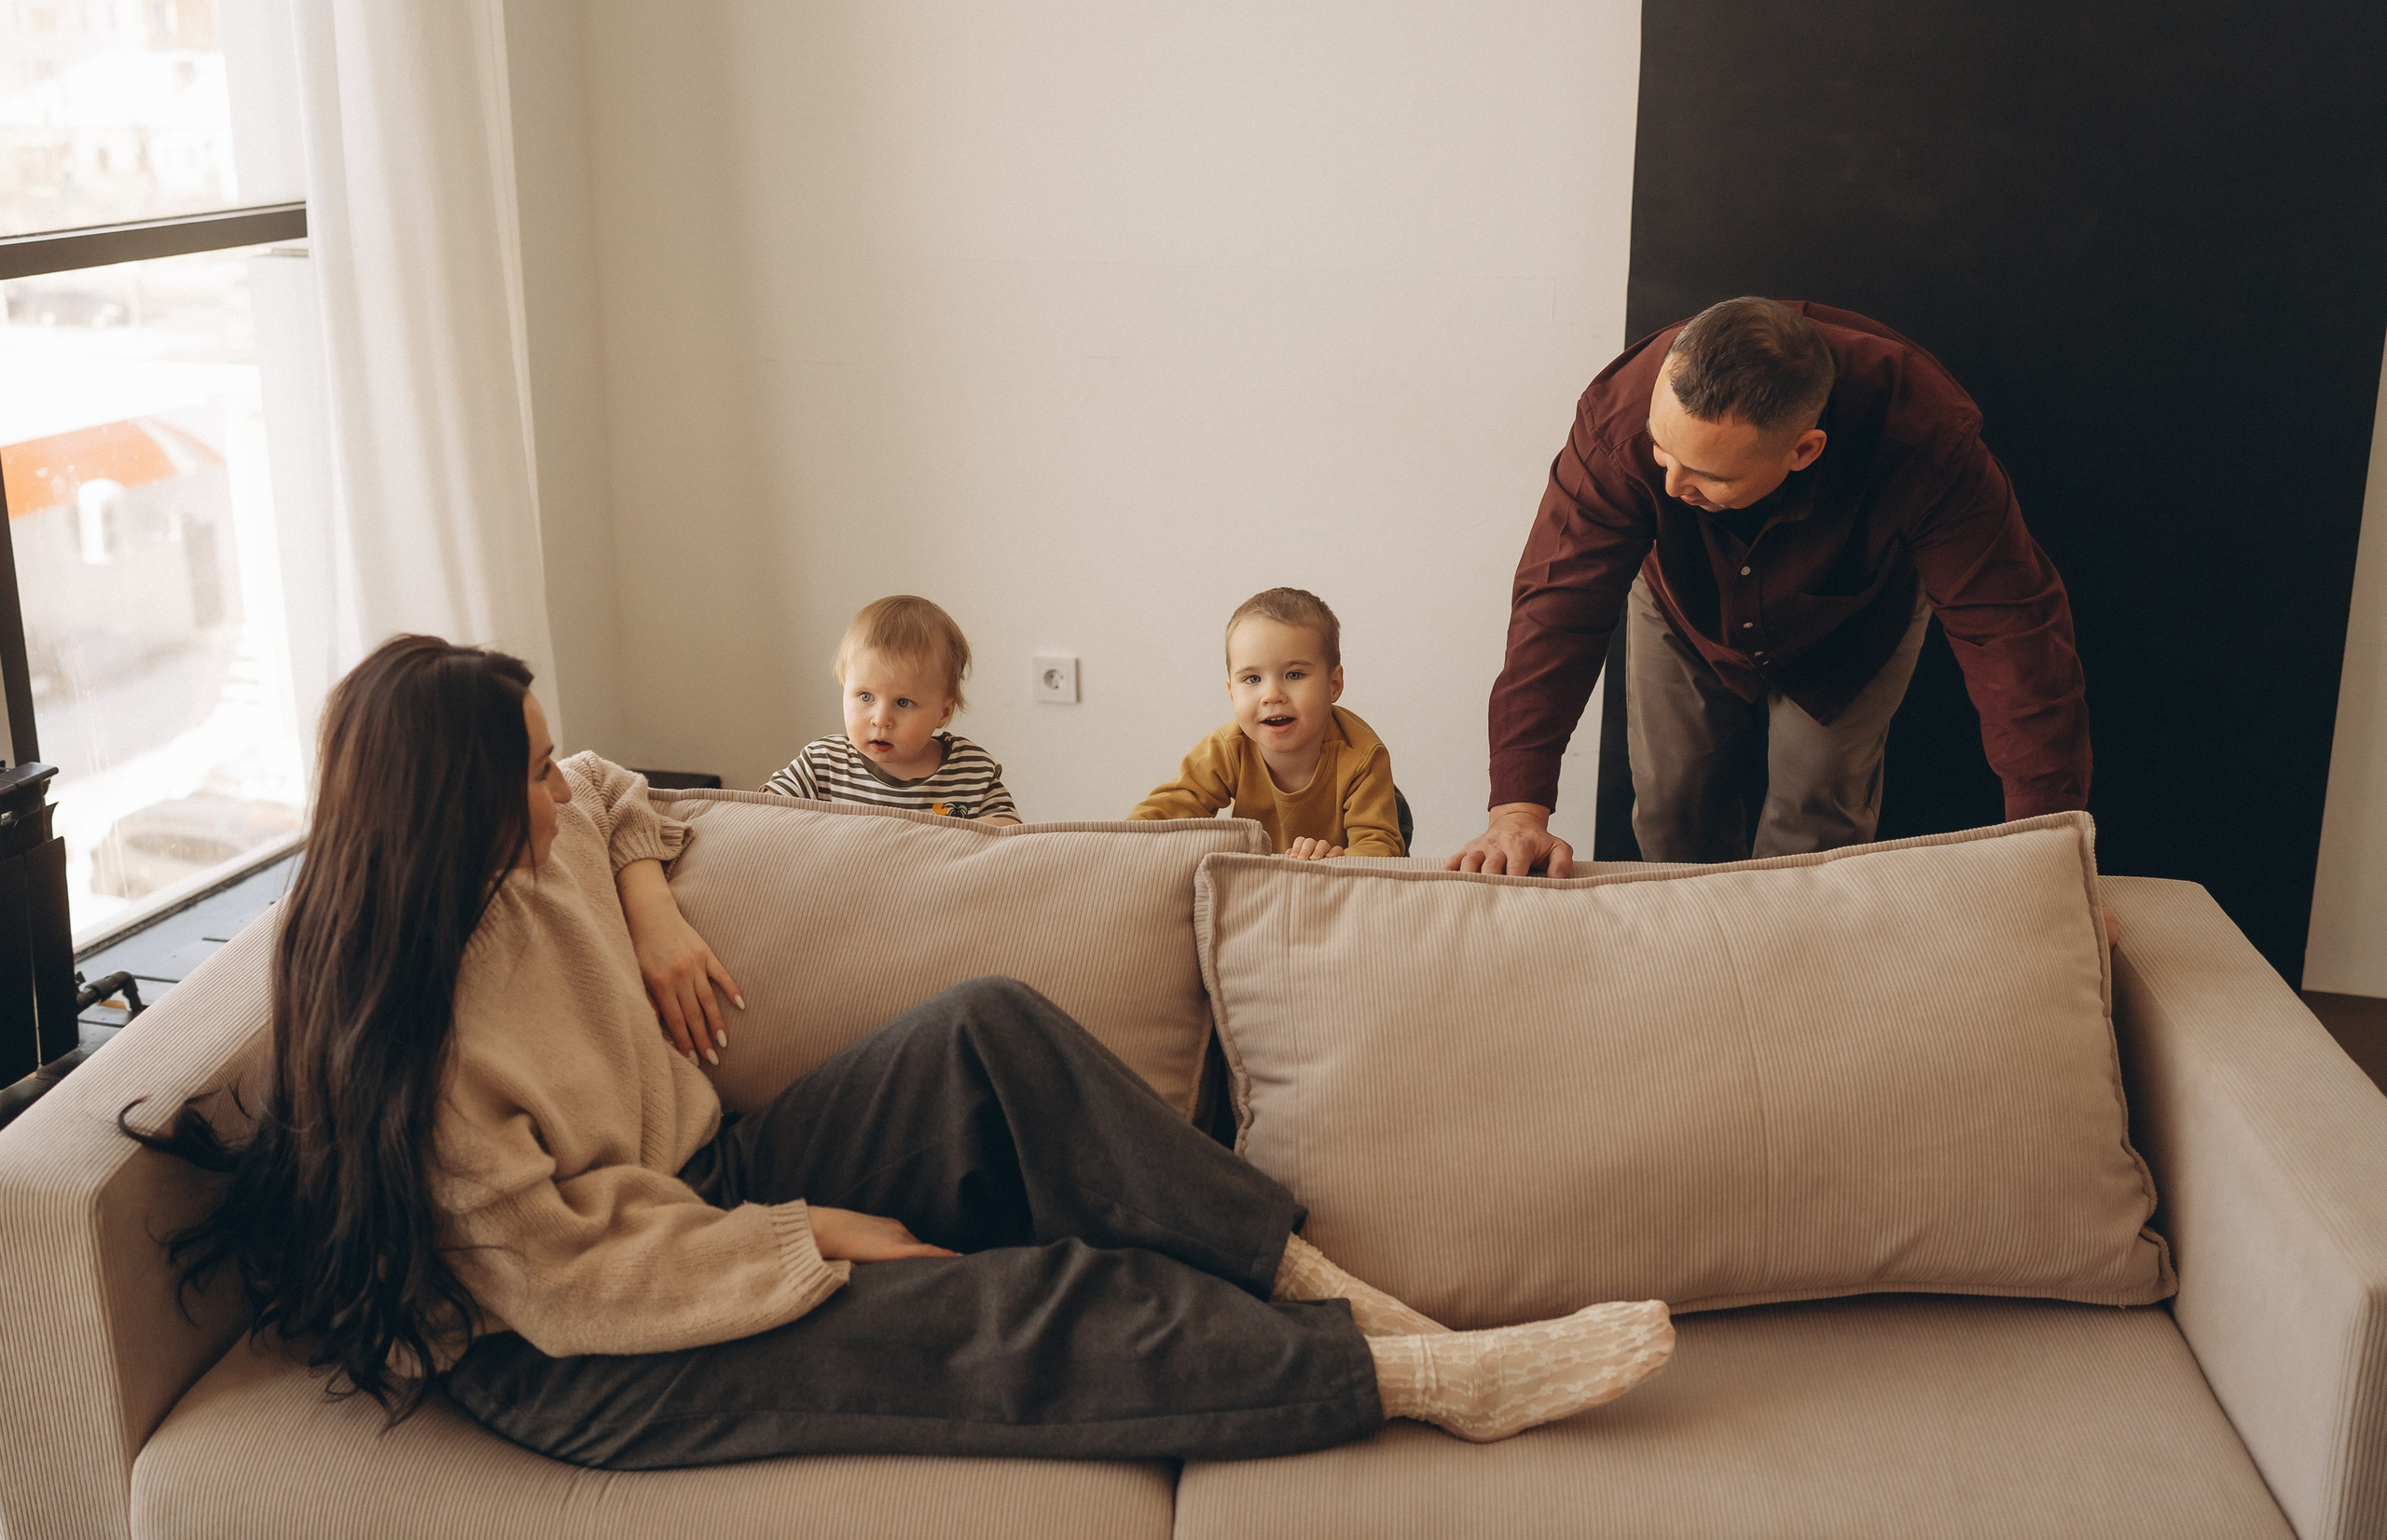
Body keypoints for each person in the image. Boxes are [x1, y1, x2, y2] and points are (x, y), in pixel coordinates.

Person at [128, 635, 1672, 1467]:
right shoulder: (421, 1047)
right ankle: (1401, 1386)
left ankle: (1325, 1285)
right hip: (593, 1344)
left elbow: (604, 785)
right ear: (447, 807)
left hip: (704, 1178)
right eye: (521, 776)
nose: (554, 790)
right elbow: (566, 1278)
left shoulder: (526, 846)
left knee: (984, 1031)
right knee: (1009, 1301)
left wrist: (653, 907)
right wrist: (804, 1237)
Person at [1452, 296, 2090, 877]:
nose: (1671, 486)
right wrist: (1517, 810)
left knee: (1818, 826)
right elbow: (1558, 608)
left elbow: (2013, 633)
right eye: (1661, 451)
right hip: (1682, 597)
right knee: (1673, 811)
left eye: (1705, 471)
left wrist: (2051, 849)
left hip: (1854, 615)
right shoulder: (1618, 418)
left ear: (1804, 451)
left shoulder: (1925, 438)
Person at [1131, 587, 1403, 859]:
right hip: (1271, 873)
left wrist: (1336, 862)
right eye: (1252, 679)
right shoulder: (1228, 749)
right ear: (1231, 693)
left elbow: (1379, 849)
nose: (1272, 695)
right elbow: (1156, 817)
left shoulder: (1362, 756)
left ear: (1333, 685)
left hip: (1349, 851)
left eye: (1294, 675)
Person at [764, 595, 1020, 823]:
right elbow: (756, 812)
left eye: (903, 702)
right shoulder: (823, 764)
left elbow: (1009, 834)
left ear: (943, 712)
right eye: (865, 696)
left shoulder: (969, 770)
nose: (881, 719)